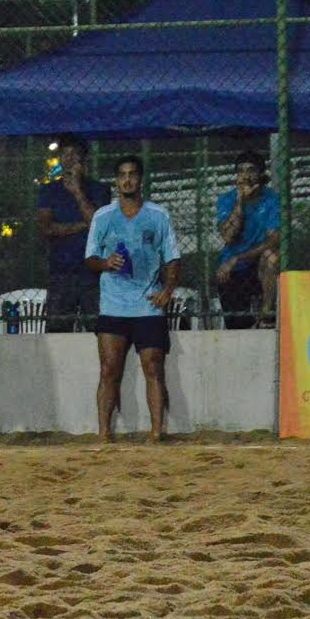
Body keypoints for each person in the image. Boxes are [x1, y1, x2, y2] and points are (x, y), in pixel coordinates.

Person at [84, 155, 181, 443]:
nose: (127, 179)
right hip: (113, 304)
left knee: (153, 367)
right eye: (122, 174)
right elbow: (89, 258)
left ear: (141, 180)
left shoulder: (158, 216)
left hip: (147, 305)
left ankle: (156, 432)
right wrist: (105, 263)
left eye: (133, 174)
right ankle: (103, 433)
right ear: (116, 181)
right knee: (109, 369)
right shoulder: (103, 216)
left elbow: (173, 257)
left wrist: (168, 290)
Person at [38, 135, 111, 332]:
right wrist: (81, 226)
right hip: (60, 273)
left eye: (74, 154)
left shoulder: (98, 189)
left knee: (101, 332)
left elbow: (99, 225)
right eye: (64, 154)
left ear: (83, 158)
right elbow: (46, 228)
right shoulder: (49, 191)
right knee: (57, 333)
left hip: (92, 273)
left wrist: (78, 191)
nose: (69, 159)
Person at [215, 150, 279, 329]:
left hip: (257, 264)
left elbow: (274, 240)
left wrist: (238, 258)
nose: (245, 176)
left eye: (251, 170)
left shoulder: (272, 200)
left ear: (261, 173)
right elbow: (229, 236)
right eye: (241, 171)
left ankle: (267, 315)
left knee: (271, 256)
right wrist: (241, 202)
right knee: (237, 326)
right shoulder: (227, 200)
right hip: (233, 268)